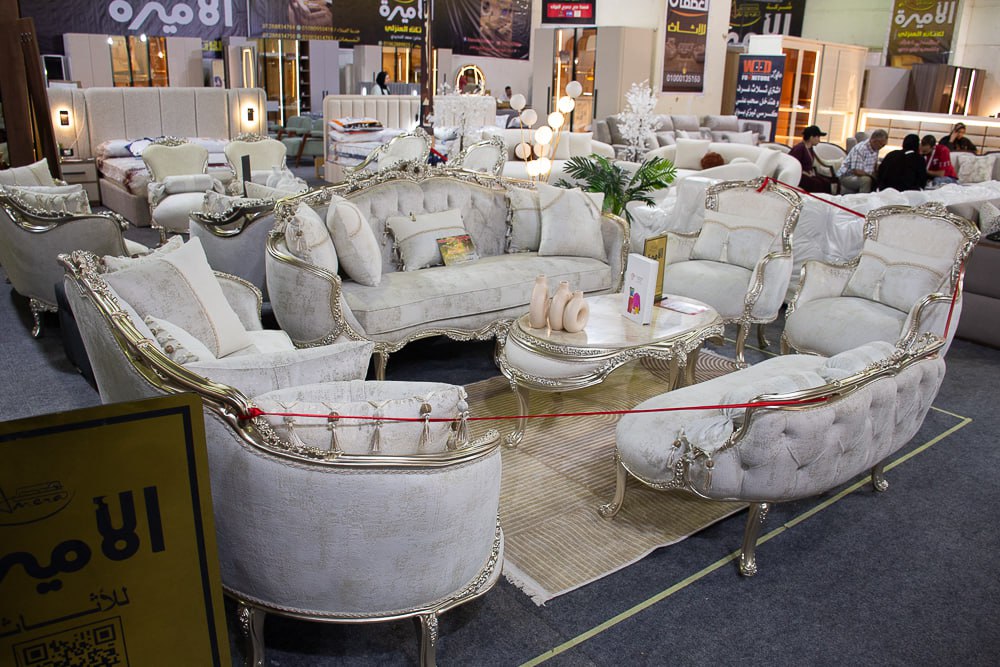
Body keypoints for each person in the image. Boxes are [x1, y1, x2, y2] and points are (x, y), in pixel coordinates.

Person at [837, 128, 888, 194]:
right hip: (847, 176)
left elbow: (874, 167)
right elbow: (857, 171)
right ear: (874, 141)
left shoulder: (876, 148)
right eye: (882, 144)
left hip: (862, 175)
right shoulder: (860, 149)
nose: (882, 147)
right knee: (866, 180)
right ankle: (862, 199)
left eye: (884, 145)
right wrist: (872, 177)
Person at [789, 125, 834, 193]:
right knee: (817, 184)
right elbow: (792, 164)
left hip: (808, 174)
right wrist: (804, 172)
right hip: (799, 176)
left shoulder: (810, 148)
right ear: (811, 137)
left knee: (826, 182)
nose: (819, 140)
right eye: (818, 137)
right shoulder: (799, 148)